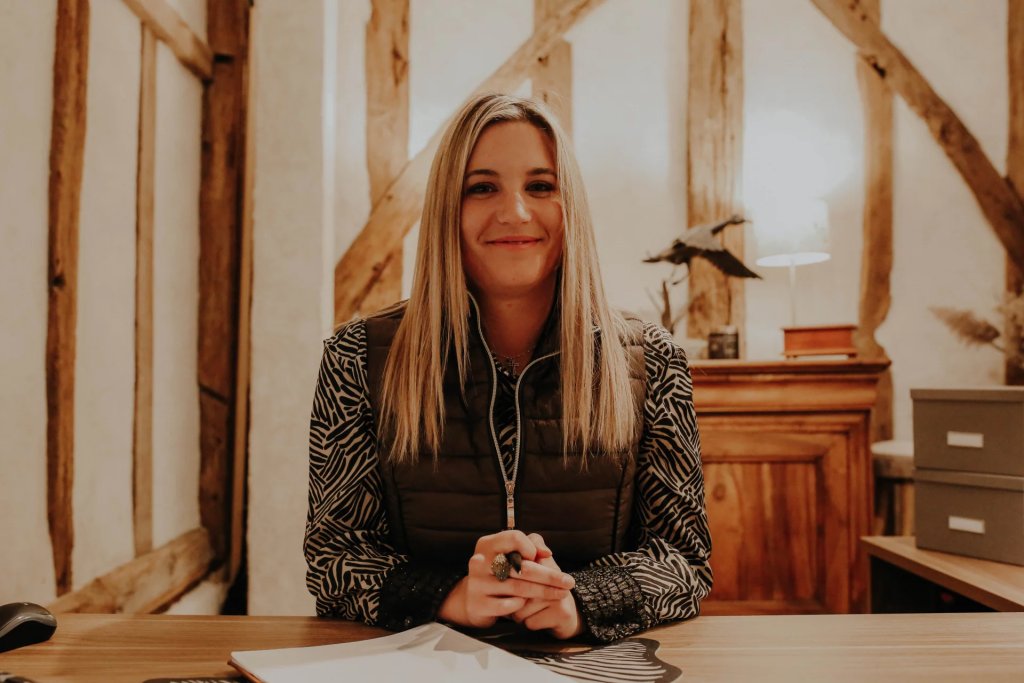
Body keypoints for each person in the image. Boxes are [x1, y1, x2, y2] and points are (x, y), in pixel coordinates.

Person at [305, 93, 712, 642]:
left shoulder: (655, 359)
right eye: (482, 188)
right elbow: (334, 557)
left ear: (571, 206)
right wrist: (451, 596)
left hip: (592, 666)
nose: (515, 212)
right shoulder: (356, 357)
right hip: (421, 665)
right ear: (448, 208)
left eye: (540, 186)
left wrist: (578, 601)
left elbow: (683, 559)